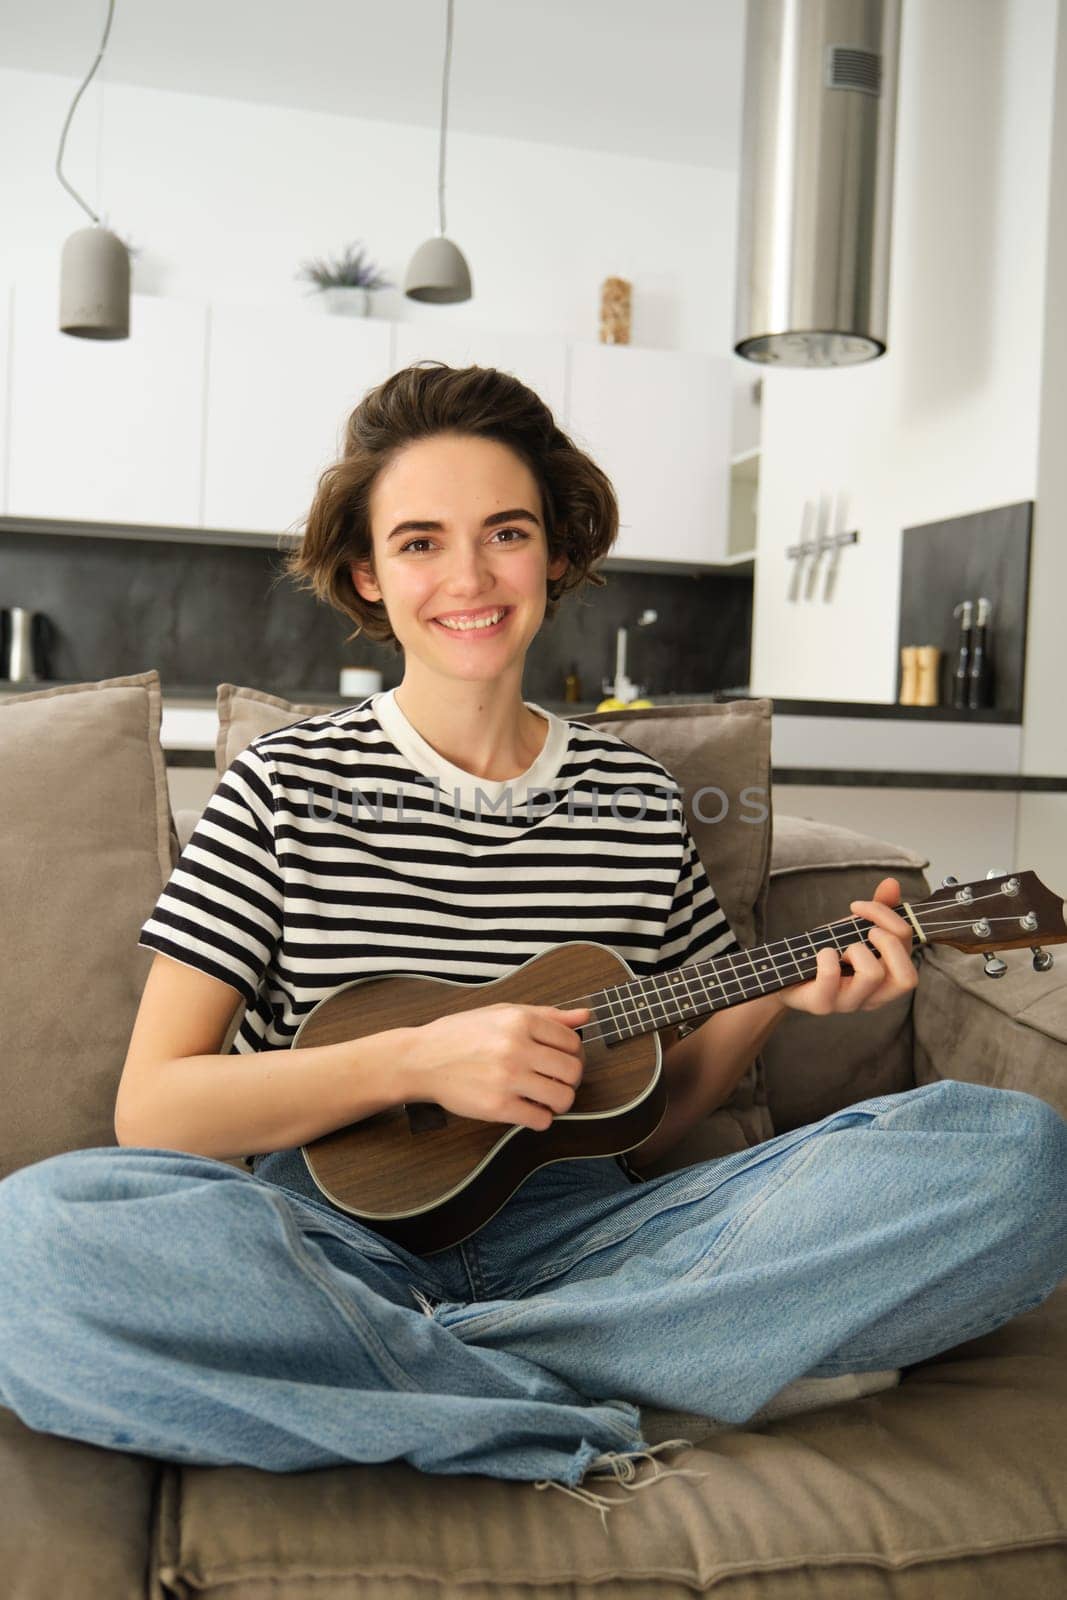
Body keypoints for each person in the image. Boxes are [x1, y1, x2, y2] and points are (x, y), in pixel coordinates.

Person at [0, 364, 1064, 1521]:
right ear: (365, 572)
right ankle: (606, 1387)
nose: (466, 577)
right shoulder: (281, 785)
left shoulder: (636, 798)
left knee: (1015, 1159)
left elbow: (648, 1120)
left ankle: (429, 1379)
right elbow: (154, 1111)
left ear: (554, 552)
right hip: (318, 1246)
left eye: (504, 532)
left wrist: (774, 996)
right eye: (418, 542)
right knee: (32, 1246)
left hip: (598, 1241)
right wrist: (414, 1061)